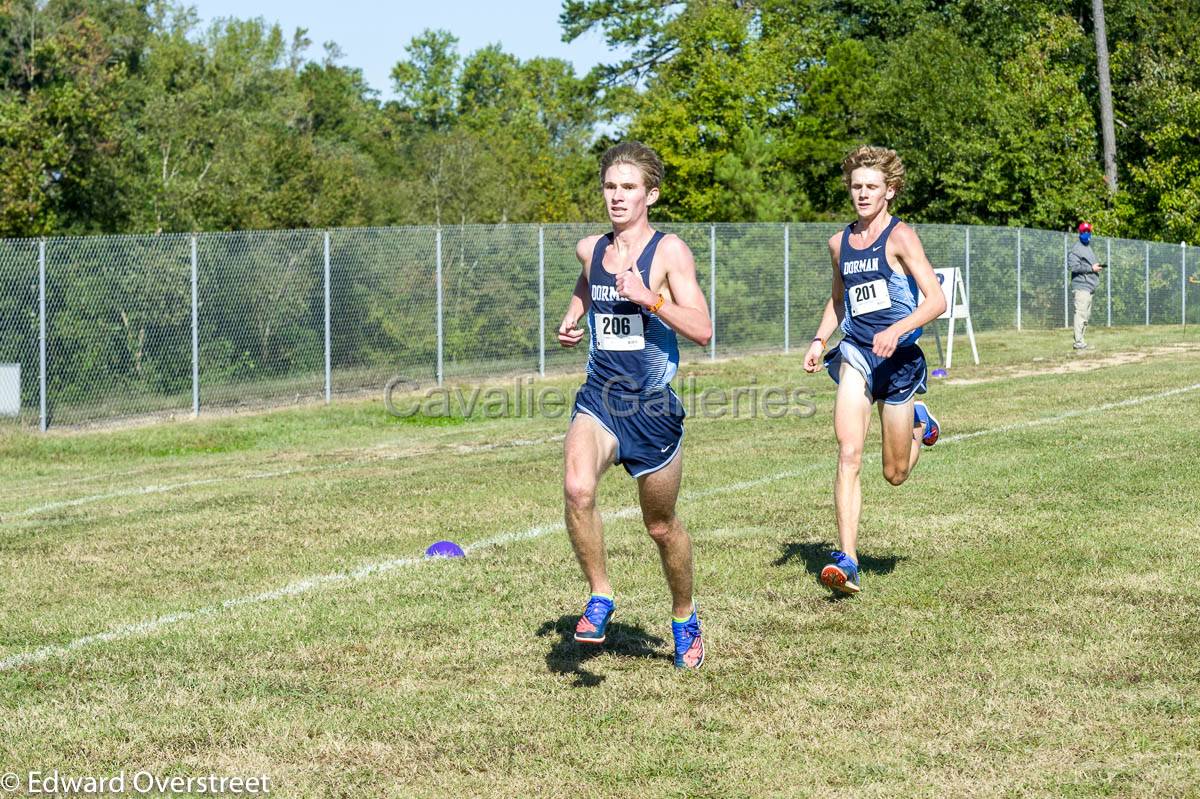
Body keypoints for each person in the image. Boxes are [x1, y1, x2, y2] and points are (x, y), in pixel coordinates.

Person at [556, 141, 713, 669]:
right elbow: (588, 284)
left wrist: (651, 299)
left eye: (628, 187)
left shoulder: (670, 253)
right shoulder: (590, 249)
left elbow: (703, 331)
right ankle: (600, 595)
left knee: (661, 526)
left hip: (652, 409)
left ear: (651, 193)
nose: (617, 197)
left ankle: (684, 616)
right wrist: (573, 316)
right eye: (610, 186)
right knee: (578, 489)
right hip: (599, 397)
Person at [803, 145, 947, 595]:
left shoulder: (901, 237)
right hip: (858, 354)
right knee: (848, 452)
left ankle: (920, 420)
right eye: (856, 187)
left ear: (890, 191)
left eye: (871, 187)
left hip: (899, 360)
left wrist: (899, 329)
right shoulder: (838, 243)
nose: (862, 194)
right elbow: (839, 299)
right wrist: (819, 338)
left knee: (895, 473)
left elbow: (936, 301)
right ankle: (847, 559)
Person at [1069, 222, 1104, 350]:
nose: (1086, 234)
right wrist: (1091, 268)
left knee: (1086, 316)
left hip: (1089, 287)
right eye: (1084, 231)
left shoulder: (1088, 247)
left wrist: (1096, 267)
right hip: (1081, 287)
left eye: (1088, 231)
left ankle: (1081, 341)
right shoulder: (1076, 249)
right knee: (1080, 314)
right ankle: (1078, 342)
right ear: (1079, 232)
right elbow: (1073, 266)